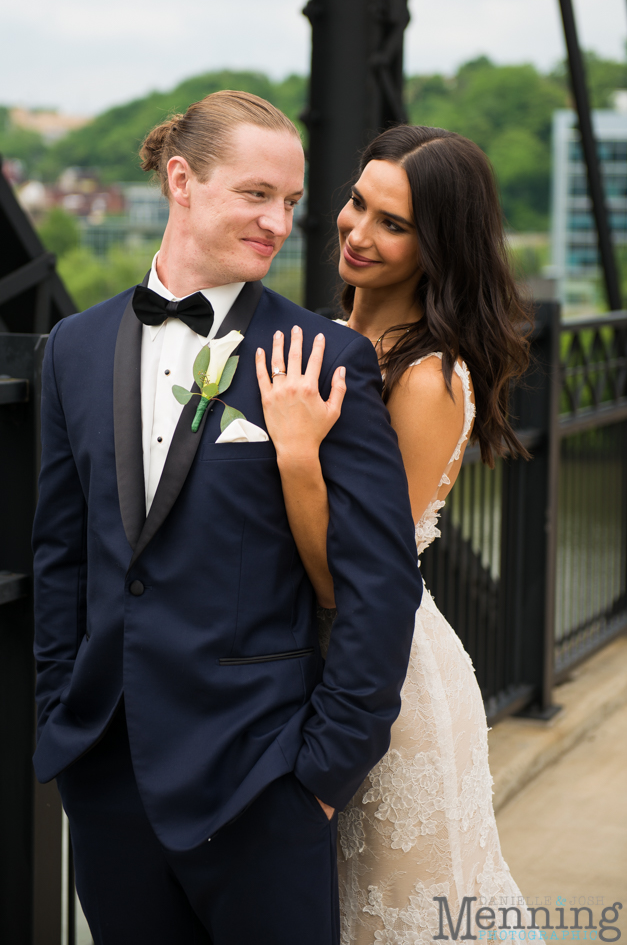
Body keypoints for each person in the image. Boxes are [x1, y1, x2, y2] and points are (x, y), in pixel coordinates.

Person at [31, 92, 423, 945]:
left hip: (261, 778)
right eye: (256, 194)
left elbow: (380, 584)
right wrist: (61, 719)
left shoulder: (327, 359)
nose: (278, 222)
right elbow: (61, 554)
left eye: (289, 202)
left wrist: (322, 775)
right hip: (109, 775)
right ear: (181, 179)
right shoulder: (74, 348)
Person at [256, 124, 537, 944]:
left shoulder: (428, 378)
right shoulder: (320, 341)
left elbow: (354, 580)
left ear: (437, 245)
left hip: (384, 681)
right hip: (299, 661)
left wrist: (298, 454)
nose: (357, 230)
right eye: (355, 203)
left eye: (393, 223)